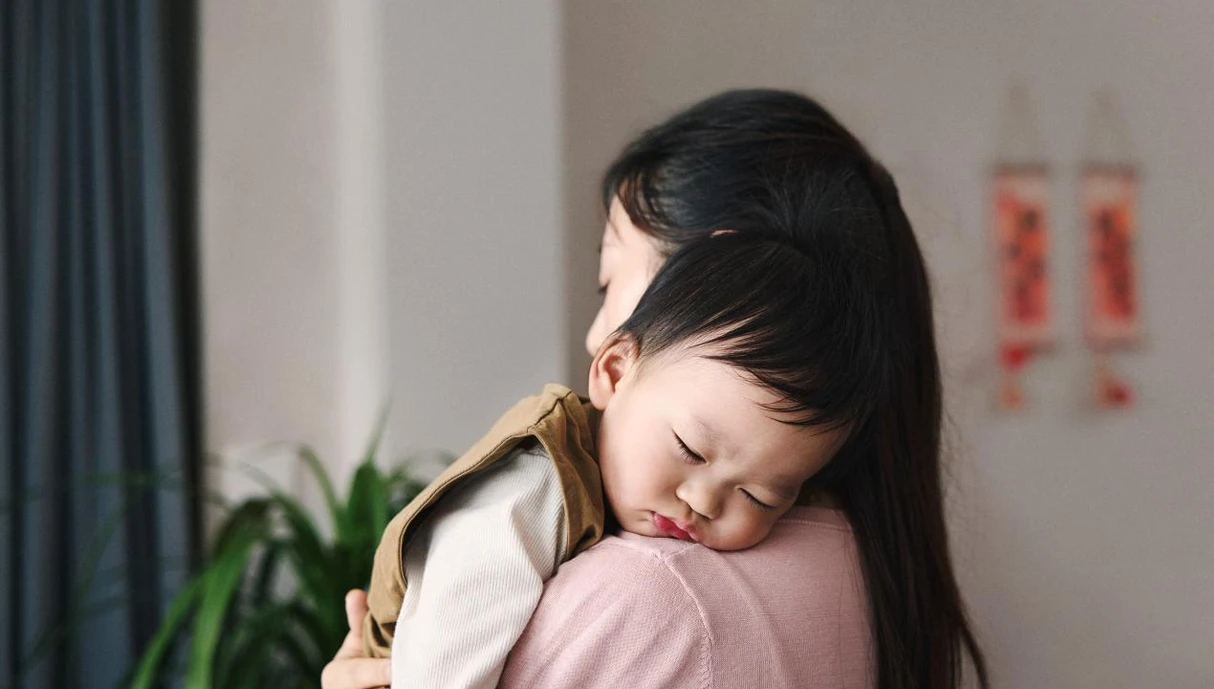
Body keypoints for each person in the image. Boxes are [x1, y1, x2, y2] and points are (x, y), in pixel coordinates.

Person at [323, 89, 990, 689]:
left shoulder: (649, 591)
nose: (595, 335)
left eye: (612, 281)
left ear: (717, 275)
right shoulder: (854, 556)